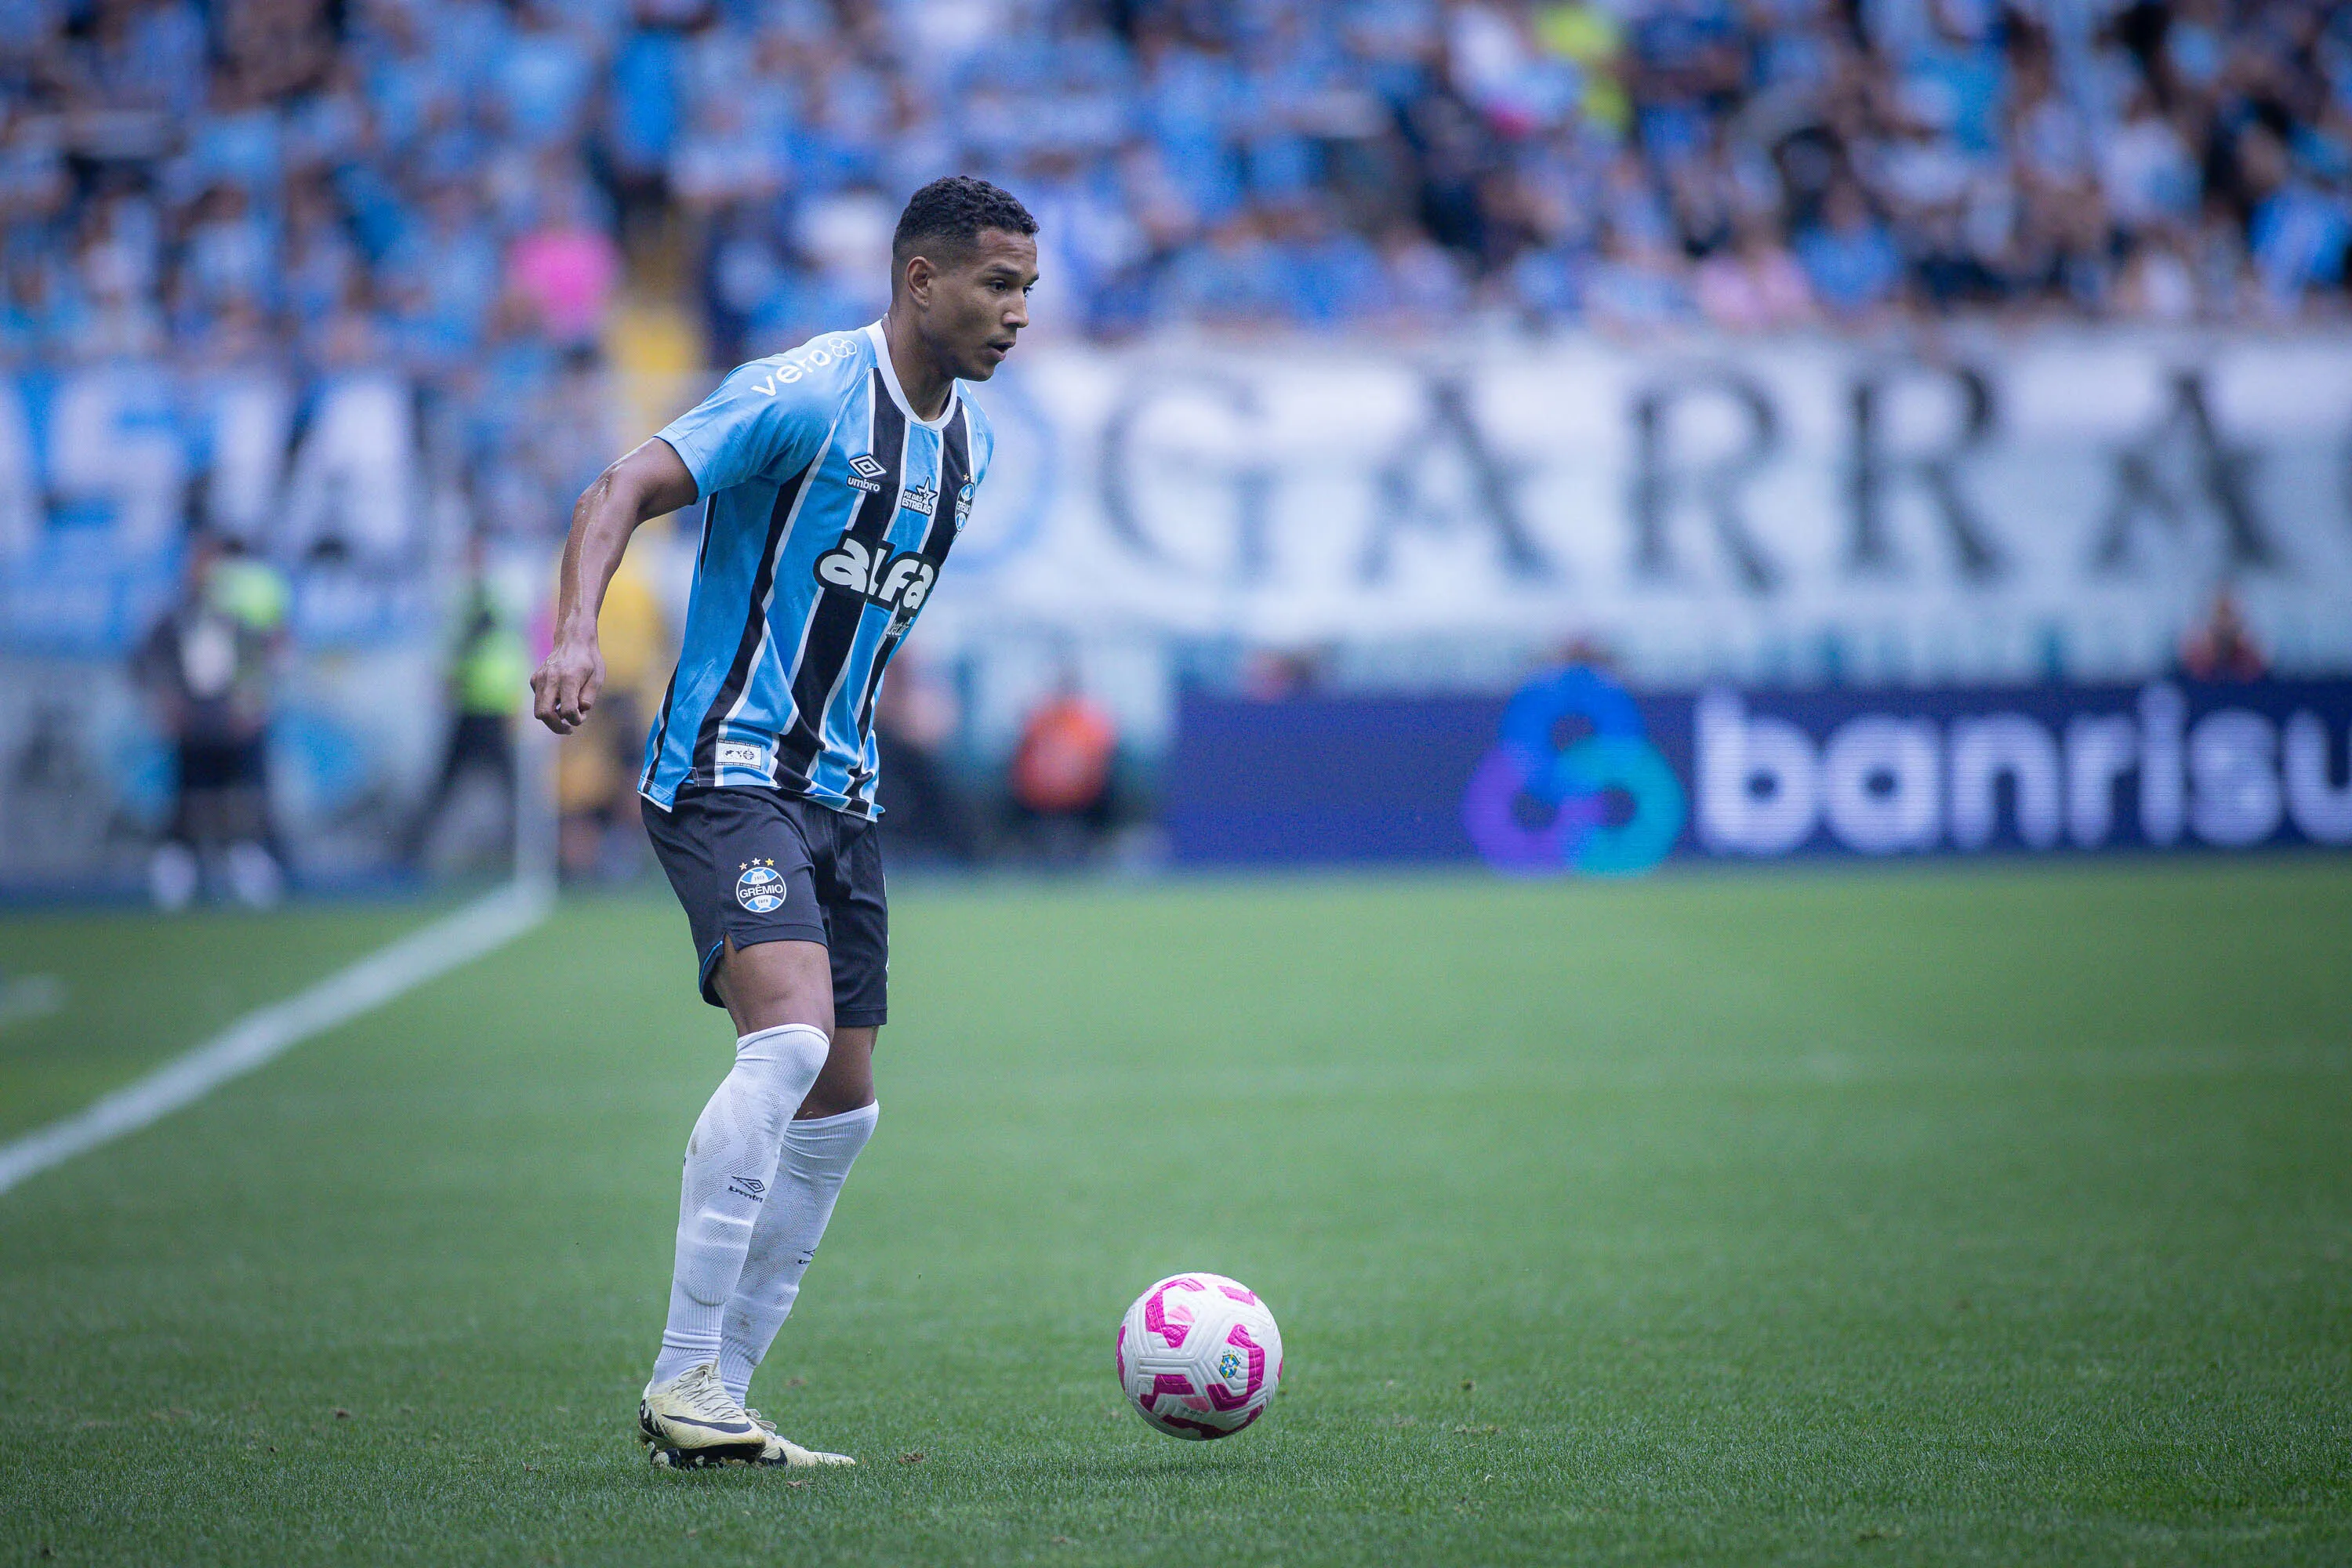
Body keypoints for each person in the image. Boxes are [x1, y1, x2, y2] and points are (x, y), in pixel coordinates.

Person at [529, 175, 1036, 1470]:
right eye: (996, 283)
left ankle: (726, 1400)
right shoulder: (804, 388)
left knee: (845, 1106)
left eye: (1027, 288)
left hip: (842, 799)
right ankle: (681, 1374)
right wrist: (578, 631)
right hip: (725, 771)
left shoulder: (964, 449)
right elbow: (619, 487)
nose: (1016, 312)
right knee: (793, 1041)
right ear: (918, 280)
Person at [132, 532, 289, 910]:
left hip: (231, 721)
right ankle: (179, 868)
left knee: (242, 796)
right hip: (193, 723)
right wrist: (165, 700)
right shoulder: (174, 614)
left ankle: (245, 862)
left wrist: (251, 702)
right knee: (189, 797)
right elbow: (148, 662)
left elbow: (259, 662)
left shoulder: (237, 616)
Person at [405, 535, 527, 870]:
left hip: (489, 706)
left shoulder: (483, 598)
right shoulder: (484, 597)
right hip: (475, 706)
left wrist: (449, 677)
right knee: (456, 785)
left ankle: (531, 857)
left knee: (494, 787)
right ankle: (414, 855)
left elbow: (473, 643)